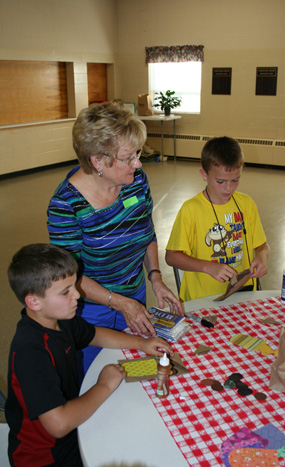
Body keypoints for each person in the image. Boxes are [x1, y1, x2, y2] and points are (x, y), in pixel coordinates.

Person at [6, 243, 173, 467]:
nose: (77, 294)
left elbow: (93, 334)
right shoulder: (31, 351)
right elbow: (58, 423)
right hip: (46, 456)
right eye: (66, 292)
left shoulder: (60, 319)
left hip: (73, 430)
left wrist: (141, 343)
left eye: (74, 285)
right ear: (33, 301)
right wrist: (104, 385)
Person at [47, 102, 182, 372]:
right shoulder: (66, 206)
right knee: (97, 377)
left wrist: (155, 277)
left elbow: (147, 232)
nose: (138, 163)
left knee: (136, 368)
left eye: (138, 153)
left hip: (134, 295)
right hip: (89, 310)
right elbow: (68, 276)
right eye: (128, 157)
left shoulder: (137, 180)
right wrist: (121, 303)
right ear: (98, 160)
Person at [165, 136, 270, 302]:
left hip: (242, 293)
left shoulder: (247, 204)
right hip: (202, 298)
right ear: (204, 174)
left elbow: (262, 245)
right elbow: (171, 256)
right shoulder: (191, 209)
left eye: (235, 180)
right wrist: (208, 267)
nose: (228, 188)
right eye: (220, 181)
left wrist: (261, 258)